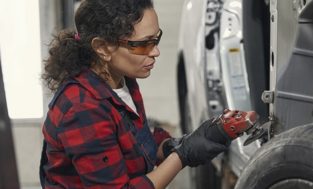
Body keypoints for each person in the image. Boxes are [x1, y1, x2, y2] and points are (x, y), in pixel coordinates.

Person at [39, 0, 233, 188]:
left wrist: (186, 143)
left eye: (156, 39)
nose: (155, 51)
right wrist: (182, 156)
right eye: (143, 44)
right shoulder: (82, 108)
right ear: (102, 48)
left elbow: (139, 144)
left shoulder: (121, 80)